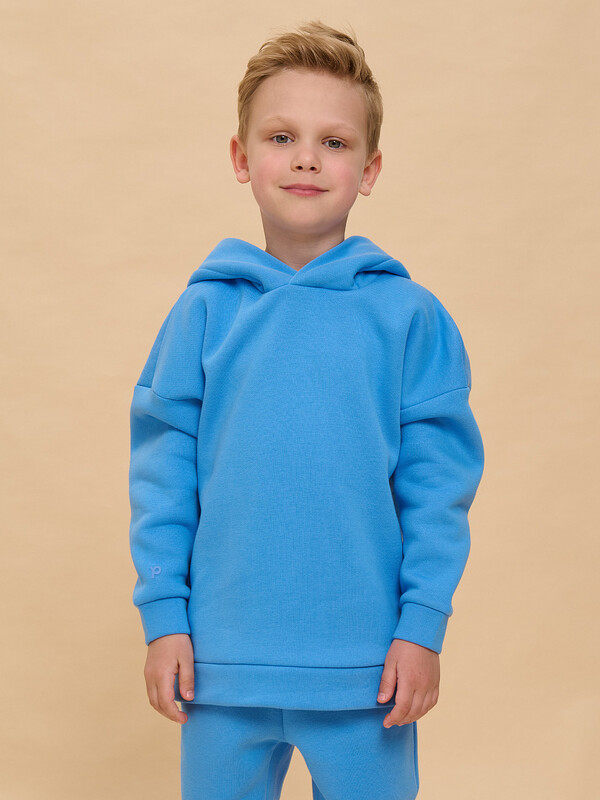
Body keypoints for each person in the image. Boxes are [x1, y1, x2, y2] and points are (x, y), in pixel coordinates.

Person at [128, 19, 485, 800]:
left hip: (368, 673)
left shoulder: (410, 319)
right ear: (240, 157)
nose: (305, 159)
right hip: (218, 666)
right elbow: (162, 478)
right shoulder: (202, 313)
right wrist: (165, 618)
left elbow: (438, 491)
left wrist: (421, 628)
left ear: (370, 169)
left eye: (334, 142)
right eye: (282, 136)